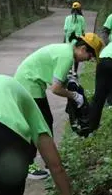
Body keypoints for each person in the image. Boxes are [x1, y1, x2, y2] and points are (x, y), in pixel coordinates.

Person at [14, 33, 104, 179]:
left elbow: (56, 76)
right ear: (82, 49)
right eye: (90, 56)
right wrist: (74, 96)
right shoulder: (66, 57)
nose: (89, 59)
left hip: (31, 84)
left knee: (45, 122)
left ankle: (48, 162)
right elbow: (56, 88)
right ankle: (29, 165)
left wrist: (70, 81)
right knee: (39, 124)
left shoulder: (66, 50)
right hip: (28, 85)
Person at [63, 1, 87, 73]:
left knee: (70, 55)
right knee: (77, 55)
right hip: (78, 39)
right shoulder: (82, 18)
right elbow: (83, 30)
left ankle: (70, 70)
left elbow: (65, 29)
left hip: (69, 39)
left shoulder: (67, 18)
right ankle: (75, 72)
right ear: (80, 9)